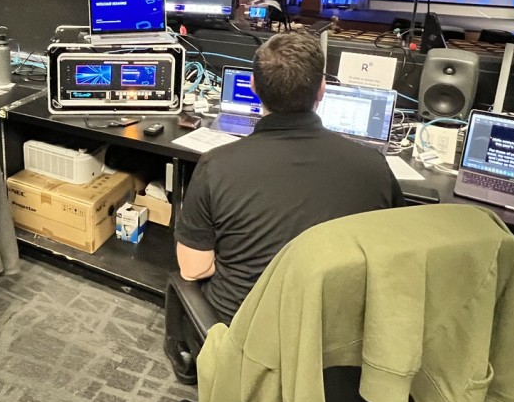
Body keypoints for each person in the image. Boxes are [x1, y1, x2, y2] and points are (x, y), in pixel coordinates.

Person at [173, 32, 405, 323]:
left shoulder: (215, 166)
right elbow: (391, 257)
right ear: (322, 89)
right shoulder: (374, 166)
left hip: (242, 334)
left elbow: (193, 270)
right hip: (333, 336)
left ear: (253, 86)